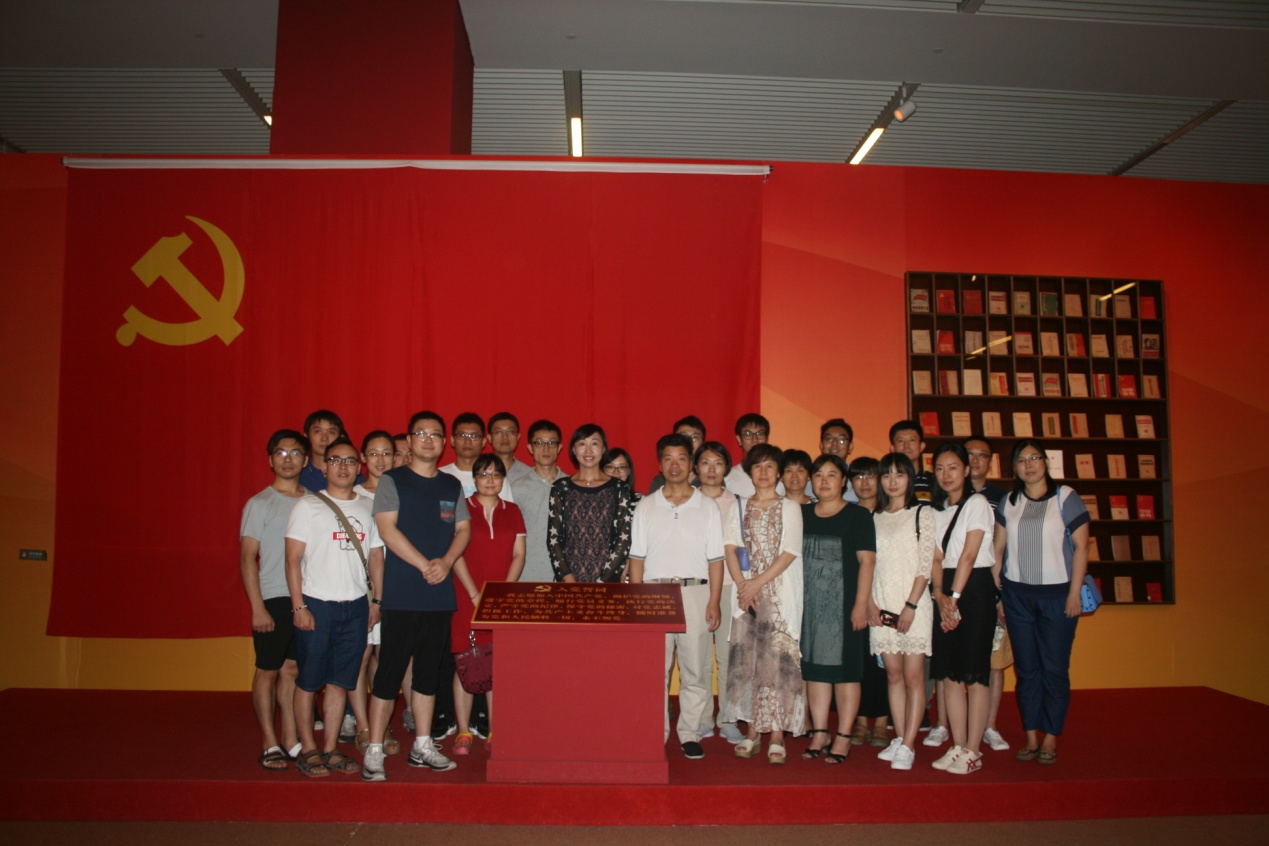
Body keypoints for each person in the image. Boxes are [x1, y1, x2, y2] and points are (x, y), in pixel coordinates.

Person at [364, 411, 472, 781]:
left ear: (444, 443)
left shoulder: (451, 485)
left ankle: (423, 745)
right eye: (421, 433)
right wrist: (426, 564)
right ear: (409, 441)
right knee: (389, 672)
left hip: (438, 596)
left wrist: (447, 561)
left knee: (428, 673)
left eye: (435, 434)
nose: (428, 439)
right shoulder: (393, 480)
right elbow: (387, 530)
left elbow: (463, 529)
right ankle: (374, 748)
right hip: (402, 593)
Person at [285, 438, 383, 778]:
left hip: (356, 606)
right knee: (309, 681)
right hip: (317, 604)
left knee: (341, 681)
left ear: (359, 467)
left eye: (350, 461)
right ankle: (307, 748)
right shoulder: (307, 506)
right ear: (324, 466)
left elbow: (376, 557)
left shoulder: (368, 507)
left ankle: (329, 748)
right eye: (336, 460)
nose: (343, 467)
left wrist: (377, 602)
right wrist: (299, 607)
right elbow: (292, 560)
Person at [992, 439, 1090, 766]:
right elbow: (998, 551)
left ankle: (1051, 736)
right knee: (1027, 670)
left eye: (1034, 458)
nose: (1029, 465)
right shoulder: (1009, 502)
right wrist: (999, 596)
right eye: (1022, 460)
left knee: (1054, 669)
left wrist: (1074, 593)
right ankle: (1032, 735)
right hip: (1017, 597)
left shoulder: (1066, 497)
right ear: (1014, 468)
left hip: (1058, 598)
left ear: (1045, 462)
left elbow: (1082, 547)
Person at [628, 433, 724, 760]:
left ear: (691, 464)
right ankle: (655, 735)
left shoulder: (707, 506)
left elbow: (716, 559)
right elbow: (636, 558)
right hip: (655, 594)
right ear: (660, 464)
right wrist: (638, 602)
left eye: (681, 458)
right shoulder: (646, 505)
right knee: (655, 671)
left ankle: (690, 734)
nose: (675, 465)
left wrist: (713, 600)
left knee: (695, 669)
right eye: (668, 458)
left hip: (696, 593)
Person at [721, 442, 805, 764]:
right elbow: (730, 549)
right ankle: (754, 731)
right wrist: (743, 588)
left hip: (780, 596)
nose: (764, 472)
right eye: (758, 466)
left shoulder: (790, 507)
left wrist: (756, 583)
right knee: (750, 663)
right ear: (749, 472)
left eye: (770, 466)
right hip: (747, 598)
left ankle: (778, 734)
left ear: (779, 472)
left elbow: (790, 552)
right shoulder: (739, 506)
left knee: (778, 663)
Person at [239, 428, 309, 770]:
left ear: (306, 461)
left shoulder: (314, 502)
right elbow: (246, 558)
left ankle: (292, 738)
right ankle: (269, 741)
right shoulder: (259, 503)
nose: (288, 459)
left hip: (307, 598)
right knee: (267, 670)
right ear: (270, 460)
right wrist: (258, 607)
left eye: (295, 453)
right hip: (273, 597)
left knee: (293, 669)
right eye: (281, 453)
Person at [799, 454, 876, 765]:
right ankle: (820, 733)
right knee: (815, 671)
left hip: (844, 607)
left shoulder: (858, 516)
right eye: (818, 474)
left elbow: (867, 562)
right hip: (808, 608)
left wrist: (860, 605)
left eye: (832, 474)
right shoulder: (802, 514)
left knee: (846, 674)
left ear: (844, 481)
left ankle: (843, 735)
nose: (824, 480)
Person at [928, 442, 998, 775]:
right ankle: (957, 745)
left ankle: (973, 750)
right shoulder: (936, 510)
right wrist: (939, 595)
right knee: (950, 673)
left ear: (967, 470)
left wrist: (953, 599)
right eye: (940, 468)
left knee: (975, 672)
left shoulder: (978, 504)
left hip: (974, 590)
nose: (946, 475)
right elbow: (935, 557)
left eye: (953, 467)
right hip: (945, 591)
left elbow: (969, 555)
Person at [449, 454, 526, 755]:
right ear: (474, 479)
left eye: (496, 474)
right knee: (466, 662)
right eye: (483, 474)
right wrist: (474, 594)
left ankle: (495, 728)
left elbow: (519, 554)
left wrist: (501, 593)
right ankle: (463, 730)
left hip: (499, 599)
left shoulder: (513, 511)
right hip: (465, 595)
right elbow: (455, 554)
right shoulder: (463, 509)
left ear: (503, 479)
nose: (490, 480)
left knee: (497, 664)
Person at [868, 453, 935, 771]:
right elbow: (867, 565)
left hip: (913, 605)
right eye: (886, 475)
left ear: (910, 477)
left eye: (899, 474)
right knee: (893, 675)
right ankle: (899, 738)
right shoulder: (873, 516)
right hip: (881, 605)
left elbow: (925, 565)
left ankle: (909, 743)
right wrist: (870, 603)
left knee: (913, 677)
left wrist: (911, 605)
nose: (892, 481)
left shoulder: (923, 513)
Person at [345, 430, 400, 757]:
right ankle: (363, 725)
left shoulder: (402, 492)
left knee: (387, 657)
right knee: (361, 655)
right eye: (374, 453)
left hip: (398, 586)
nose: (381, 459)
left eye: (387, 453)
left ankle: (383, 723)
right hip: (363, 588)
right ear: (363, 458)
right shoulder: (351, 496)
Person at [965, 435, 1011, 752]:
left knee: (994, 661)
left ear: (990, 462)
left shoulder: (1003, 499)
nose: (975, 460)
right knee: (956, 662)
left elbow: (1008, 547)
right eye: (969, 454)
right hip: (957, 588)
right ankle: (948, 724)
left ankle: (990, 726)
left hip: (991, 587)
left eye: (982, 455)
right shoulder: (951, 494)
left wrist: (1003, 592)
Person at [693, 440, 742, 743]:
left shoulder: (737, 503)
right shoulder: (687, 501)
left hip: (729, 587)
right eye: (705, 463)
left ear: (726, 468)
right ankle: (700, 718)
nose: (711, 469)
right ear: (696, 467)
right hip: (697, 587)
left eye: (718, 463)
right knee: (698, 656)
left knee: (727, 656)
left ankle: (728, 718)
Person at [548, 424, 634, 583]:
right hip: (569, 583)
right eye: (582, 444)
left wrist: (601, 581)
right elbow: (553, 538)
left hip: (607, 583)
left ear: (603, 449)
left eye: (594, 443)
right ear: (574, 450)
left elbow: (623, 540)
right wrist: (568, 578)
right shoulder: (561, 488)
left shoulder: (619, 488)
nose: (588, 450)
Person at [846, 456, 891, 747]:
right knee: (859, 661)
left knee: (885, 663)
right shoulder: (847, 514)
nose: (864, 482)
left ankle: (883, 723)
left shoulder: (890, 514)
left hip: (888, 597)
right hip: (856, 598)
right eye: (858, 476)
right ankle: (861, 722)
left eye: (871, 476)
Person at [509, 420, 569, 583]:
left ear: (559, 447)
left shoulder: (571, 487)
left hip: (565, 576)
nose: (546, 448)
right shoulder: (516, 488)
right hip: (526, 575)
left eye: (551, 443)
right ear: (530, 448)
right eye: (539, 443)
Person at [647, 415, 707, 493]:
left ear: (703, 444)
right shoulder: (660, 481)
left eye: (694, 438)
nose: (689, 442)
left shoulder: (711, 477)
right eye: (683, 436)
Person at [440, 412, 488, 498]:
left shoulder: (495, 478)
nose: (467, 441)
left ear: (483, 442)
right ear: (452, 440)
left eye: (474, 436)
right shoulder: (439, 476)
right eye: (462, 435)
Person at [299, 410, 347, 492]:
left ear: (341, 437)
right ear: (306, 437)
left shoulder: (351, 473)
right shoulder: (298, 473)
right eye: (317, 431)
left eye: (331, 432)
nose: (324, 438)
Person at [724, 413, 770, 498]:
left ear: (767, 439)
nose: (755, 440)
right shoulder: (728, 477)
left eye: (760, 434)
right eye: (748, 434)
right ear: (739, 440)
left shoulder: (779, 476)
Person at [488, 411, 533, 488]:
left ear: (518, 437)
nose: (505, 437)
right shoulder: (480, 471)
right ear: (489, 438)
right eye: (498, 432)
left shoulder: (528, 474)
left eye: (510, 432)